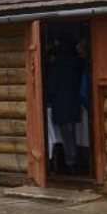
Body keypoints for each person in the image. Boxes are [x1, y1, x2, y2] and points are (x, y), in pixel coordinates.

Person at [44, 39, 85, 173]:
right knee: (72, 134)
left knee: (66, 135)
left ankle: (71, 163)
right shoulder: (75, 65)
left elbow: (50, 89)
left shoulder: (56, 69)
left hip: (61, 106)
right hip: (74, 104)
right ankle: (75, 161)